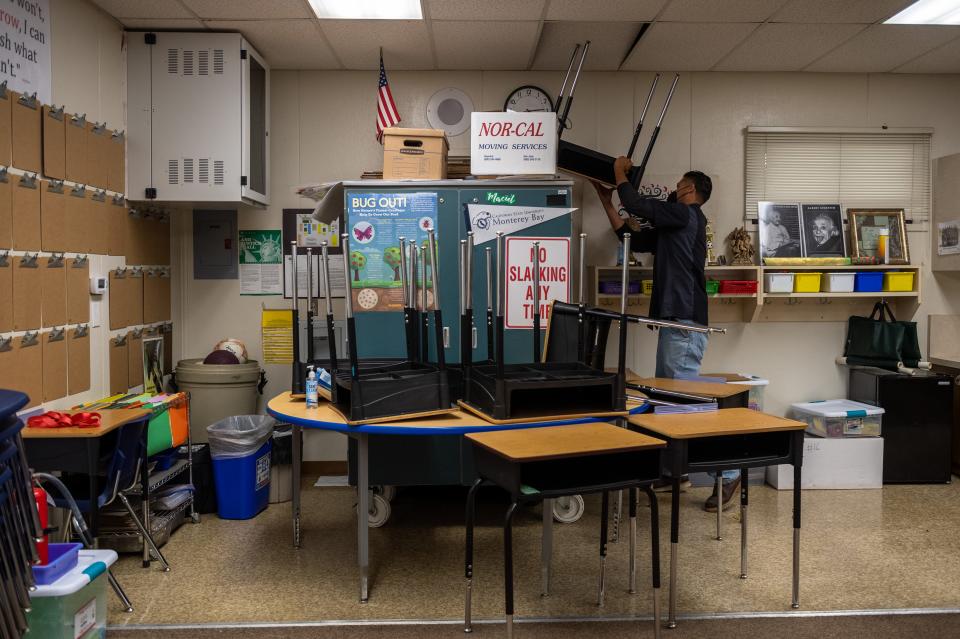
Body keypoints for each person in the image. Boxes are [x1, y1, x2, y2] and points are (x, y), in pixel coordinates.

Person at [593, 158, 739, 512]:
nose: (674, 190)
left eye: (678, 185)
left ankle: (730, 471)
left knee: (689, 408)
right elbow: (631, 237)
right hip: (675, 325)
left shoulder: (686, 215)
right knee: (667, 406)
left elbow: (639, 206)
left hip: (684, 326)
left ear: (688, 191)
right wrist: (606, 199)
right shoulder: (677, 226)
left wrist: (618, 173)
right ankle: (675, 474)